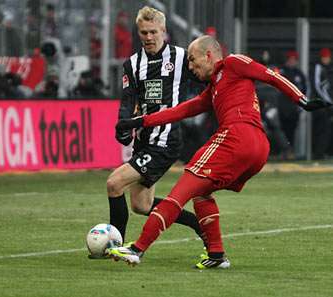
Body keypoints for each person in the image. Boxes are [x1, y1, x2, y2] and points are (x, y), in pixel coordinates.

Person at [110, 35, 330, 268]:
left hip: (237, 137)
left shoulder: (233, 62)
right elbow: (184, 110)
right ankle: (216, 255)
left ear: (209, 55)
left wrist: (302, 100)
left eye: (193, 61)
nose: (191, 67)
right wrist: (142, 121)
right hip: (257, 148)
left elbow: (270, 76)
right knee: (201, 193)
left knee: (180, 191)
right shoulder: (215, 86)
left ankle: (137, 249)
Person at [104, 6, 206, 259]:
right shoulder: (133, 64)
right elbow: (128, 100)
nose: (148, 37)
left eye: (153, 32)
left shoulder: (182, 57)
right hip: (145, 140)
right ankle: (199, 225)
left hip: (166, 140)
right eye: (143, 33)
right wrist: (123, 126)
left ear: (163, 31)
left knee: (114, 183)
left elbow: (207, 76)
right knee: (142, 206)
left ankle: (115, 245)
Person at [311, 48, 333, 159]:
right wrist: (329, 102)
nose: (326, 59)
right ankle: (318, 153)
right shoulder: (318, 68)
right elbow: (318, 86)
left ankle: (322, 152)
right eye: (324, 57)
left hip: (326, 104)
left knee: (326, 129)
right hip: (320, 104)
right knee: (322, 128)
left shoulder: (328, 69)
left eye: (328, 57)